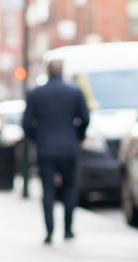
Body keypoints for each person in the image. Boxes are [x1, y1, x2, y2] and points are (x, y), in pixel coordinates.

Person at [23, 59, 90, 244]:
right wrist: (77, 135)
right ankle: (68, 229)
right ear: (62, 71)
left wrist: (38, 138)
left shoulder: (36, 93)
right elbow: (85, 118)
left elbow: (27, 123)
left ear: (48, 71)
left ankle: (49, 230)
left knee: (48, 190)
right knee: (70, 187)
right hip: (69, 147)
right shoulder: (75, 92)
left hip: (45, 149)